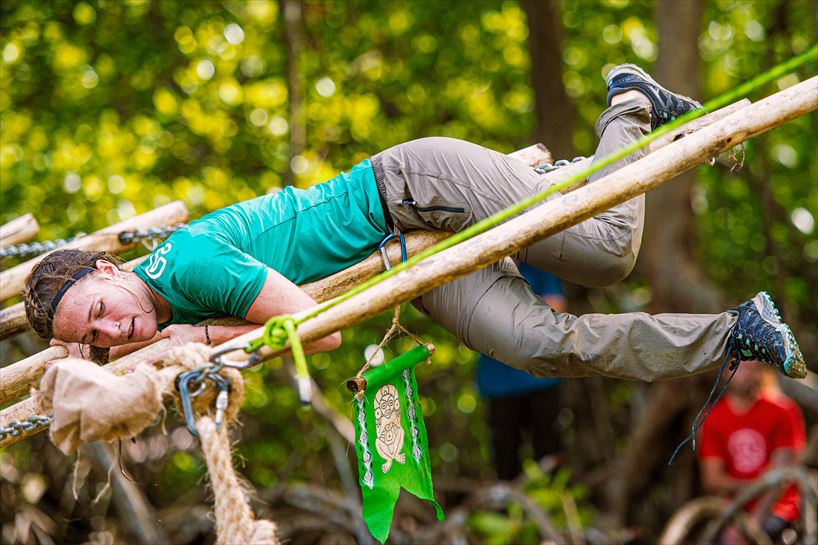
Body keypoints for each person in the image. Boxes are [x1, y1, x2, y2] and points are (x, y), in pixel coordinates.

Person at [24, 64, 806, 384]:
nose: (113, 336)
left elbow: (316, 328)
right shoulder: (155, 308)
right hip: (398, 256)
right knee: (537, 345)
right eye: (94, 342)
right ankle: (736, 330)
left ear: (106, 270)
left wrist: (197, 340)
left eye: (100, 314)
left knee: (607, 254)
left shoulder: (183, 267)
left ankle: (628, 105)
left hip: (414, 189)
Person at [697, 359, 805, 544]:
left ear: (762, 371)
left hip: (778, 509)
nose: (747, 372)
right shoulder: (712, 417)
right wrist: (751, 486)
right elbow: (712, 480)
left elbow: (780, 478)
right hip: (733, 510)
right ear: (725, 371)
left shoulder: (783, 410)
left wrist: (751, 524)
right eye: (740, 366)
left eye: (754, 367)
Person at [476, 263, 566, 480]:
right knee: (505, 460)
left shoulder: (536, 264)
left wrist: (503, 317)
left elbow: (556, 308)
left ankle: (555, 507)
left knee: (549, 454)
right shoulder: (481, 268)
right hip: (498, 383)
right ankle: (509, 510)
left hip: (541, 377)